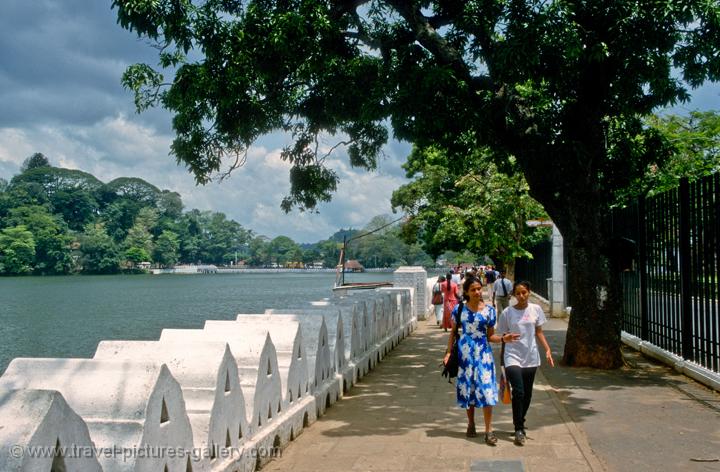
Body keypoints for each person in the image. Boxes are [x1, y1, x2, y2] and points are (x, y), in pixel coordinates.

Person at [443, 275, 516, 445]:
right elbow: (453, 332)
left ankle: (489, 430)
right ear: (467, 292)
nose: (477, 292)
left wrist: (504, 338)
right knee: (469, 389)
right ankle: (471, 423)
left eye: (479, 288)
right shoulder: (459, 309)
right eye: (473, 289)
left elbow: (491, 336)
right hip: (465, 355)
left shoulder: (489, 311)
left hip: (483, 354)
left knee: (486, 389)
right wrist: (448, 353)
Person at [496, 281, 554, 446]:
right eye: (518, 293)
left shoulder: (535, 309)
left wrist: (548, 349)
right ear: (513, 295)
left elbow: (539, 331)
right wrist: (503, 350)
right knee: (519, 392)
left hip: (530, 357)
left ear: (529, 292)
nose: (521, 296)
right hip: (512, 355)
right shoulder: (507, 313)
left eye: (524, 293)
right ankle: (518, 428)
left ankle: (520, 418)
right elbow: (502, 336)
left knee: (527, 394)